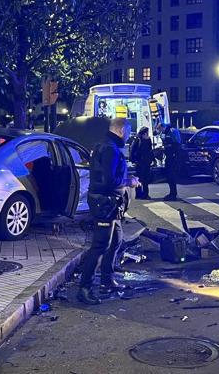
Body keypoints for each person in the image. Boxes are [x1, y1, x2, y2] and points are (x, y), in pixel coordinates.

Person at [78, 118, 140, 305]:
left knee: (116, 240)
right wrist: (130, 182)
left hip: (110, 203)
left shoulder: (107, 146)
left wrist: (126, 178)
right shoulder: (110, 149)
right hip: (104, 203)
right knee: (100, 245)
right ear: (121, 131)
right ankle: (84, 288)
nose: (129, 137)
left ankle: (107, 279)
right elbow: (108, 180)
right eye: (128, 132)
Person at [159, 123, 182, 201]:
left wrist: (165, 148)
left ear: (163, 127)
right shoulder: (168, 132)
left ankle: (173, 194)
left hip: (172, 159)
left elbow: (175, 146)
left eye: (160, 129)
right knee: (169, 177)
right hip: (170, 158)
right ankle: (172, 193)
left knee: (171, 177)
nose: (161, 131)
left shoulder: (171, 132)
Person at [131, 127, 154, 200]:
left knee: (145, 179)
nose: (147, 134)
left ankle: (145, 194)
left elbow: (150, 151)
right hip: (140, 161)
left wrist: (152, 159)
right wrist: (133, 160)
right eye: (146, 132)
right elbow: (133, 149)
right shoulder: (138, 140)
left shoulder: (148, 140)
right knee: (139, 178)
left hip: (146, 162)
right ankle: (139, 194)